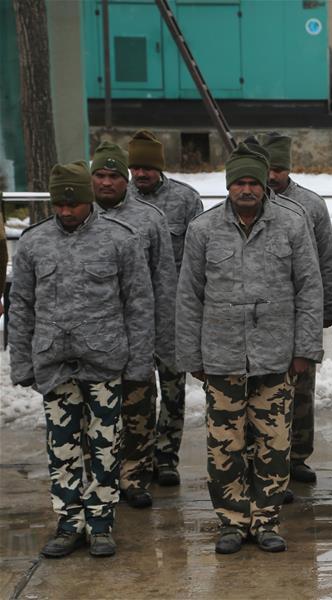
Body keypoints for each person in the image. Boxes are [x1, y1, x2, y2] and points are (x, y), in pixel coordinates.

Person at [176, 144, 324, 554]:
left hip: (275, 357)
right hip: (221, 357)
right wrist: (192, 358)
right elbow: (188, 296)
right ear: (228, 186)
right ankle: (232, 521)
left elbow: (310, 289)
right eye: (239, 182)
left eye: (253, 183)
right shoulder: (203, 229)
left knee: (274, 443)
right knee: (225, 445)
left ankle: (266, 520)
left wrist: (304, 350)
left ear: (263, 186)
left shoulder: (292, 224)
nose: (246, 189)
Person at [8, 161, 154, 558]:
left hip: (104, 361)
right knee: (62, 446)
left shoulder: (120, 239)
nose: (66, 210)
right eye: (59, 204)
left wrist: (139, 364)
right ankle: (69, 522)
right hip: (55, 362)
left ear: (88, 200)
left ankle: (101, 522)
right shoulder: (34, 242)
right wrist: (21, 363)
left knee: (106, 445)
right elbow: (21, 307)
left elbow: (139, 305)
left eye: (73, 203)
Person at [92, 141, 177, 509]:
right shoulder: (78, 215)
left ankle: (135, 476)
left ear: (124, 179)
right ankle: (101, 477)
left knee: (138, 409)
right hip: (92, 335)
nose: (106, 182)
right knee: (96, 414)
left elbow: (164, 281)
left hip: (138, 333)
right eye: (100, 175)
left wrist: (166, 338)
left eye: (114, 175)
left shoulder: (149, 219)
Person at [127, 129, 205, 486]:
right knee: (137, 392)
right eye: (136, 168)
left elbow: (197, 259)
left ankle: (166, 457)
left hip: (174, 314)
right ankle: (137, 458)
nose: (141, 174)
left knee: (173, 391)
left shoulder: (185, 200)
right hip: (133, 316)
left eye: (147, 167)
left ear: (159, 168)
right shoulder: (119, 200)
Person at [261, 131, 332, 485]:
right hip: (262, 319)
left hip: (300, 316)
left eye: (278, 169)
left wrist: (326, 310)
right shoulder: (248, 200)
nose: (272, 176)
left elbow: (327, 261)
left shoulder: (311, 205)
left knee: (302, 391)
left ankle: (297, 457)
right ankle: (265, 459)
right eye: (267, 168)